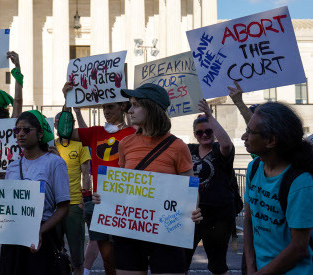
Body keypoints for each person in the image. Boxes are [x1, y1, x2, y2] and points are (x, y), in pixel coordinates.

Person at [112, 83, 199, 274]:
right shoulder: (125, 143)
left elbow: (189, 190)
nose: (129, 110)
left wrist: (193, 210)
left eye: (135, 104)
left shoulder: (178, 146)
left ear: (151, 108)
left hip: (167, 229)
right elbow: (120, 187)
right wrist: (104, 199)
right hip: (130, 226)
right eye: (130, 104)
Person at [61, 81, 135, 275]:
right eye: (103, 107)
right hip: (100, 203)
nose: (105, 111)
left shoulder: (135, 133)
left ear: (123, 106)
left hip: (126, 204)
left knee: (126, 259)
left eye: (110, 106)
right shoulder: (95, 132)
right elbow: (64, 131)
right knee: (108, 261)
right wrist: (67, 101)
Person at [243, 102, 313, 274]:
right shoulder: (254, 168)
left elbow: (299, 247)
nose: (244, 136)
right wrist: (250, 266)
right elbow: (249, 219)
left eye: (251, 132)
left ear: (271, 141)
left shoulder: (301, 183)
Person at [0, 110, 70, 274]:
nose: (21, 134)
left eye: (26, 130)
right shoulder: (12, 167)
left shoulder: (55, 163)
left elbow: (64, 207)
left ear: (40, 134)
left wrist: (39, 232)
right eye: (17, 130)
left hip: (43, 237)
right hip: (14, 237)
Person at [185, 100, 236, 275]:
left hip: (219, 215)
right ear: (195, 134)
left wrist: (209, 116)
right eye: (200, 132)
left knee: (217, 264)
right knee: (181, 260)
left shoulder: (218, 149)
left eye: (209, 131)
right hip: (192, 213)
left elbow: (226, 144)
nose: (205, 135)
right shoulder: (189, 150)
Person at [55, 108, 91, 275]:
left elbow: (86, 173)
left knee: (77, 257)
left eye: (61, 123)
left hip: (75, 205)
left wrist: (85, 198)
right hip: (54, 206)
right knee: (55, 253)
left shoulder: (80, 145)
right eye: (56, 123)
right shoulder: (50, 146)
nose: (59, 125)